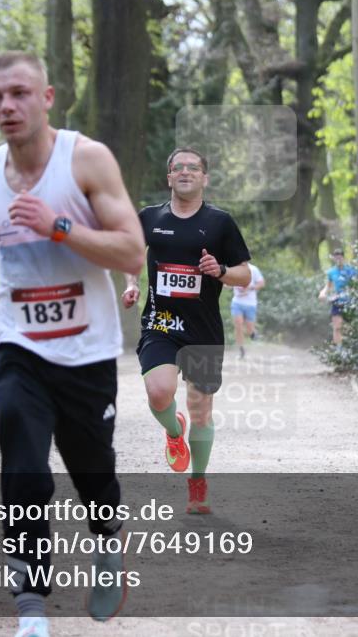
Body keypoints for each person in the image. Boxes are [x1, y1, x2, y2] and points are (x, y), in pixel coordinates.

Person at [0, 51, 145, 637]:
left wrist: (60, 227)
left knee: (91, 470)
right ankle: (30, 606)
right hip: (18, 342)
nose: (7, 106)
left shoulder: (87, 160)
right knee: (23, 465)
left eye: (20, 93)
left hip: (87, 350)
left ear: (47, 97)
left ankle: (108, 543)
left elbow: (131, 252)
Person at [121, 147, 251, 515]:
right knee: (159, 393)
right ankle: (173, 433)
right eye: (178, 167)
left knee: (201, 410)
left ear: (204, 177)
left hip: (202, 329)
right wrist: (132, 283)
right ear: (169, 177)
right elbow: (132, 254)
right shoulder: (149, 217)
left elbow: (245, 274)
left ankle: (198, 482)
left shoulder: (220, 222)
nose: (185, 172)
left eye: (193, 167)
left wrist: (220, 271)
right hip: (161, 324)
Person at [319, 248, 357, 351]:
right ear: (334, 258)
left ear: (343, 257)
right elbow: (328, 286)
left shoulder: (351, 270)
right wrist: (323, 293)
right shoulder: (331, 272)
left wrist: (351, 293)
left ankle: (349, 350)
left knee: (349, 328)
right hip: (336, 302)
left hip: (349, 302)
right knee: (337, 327)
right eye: (336, 257)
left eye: (340, 257)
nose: (338, 259)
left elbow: (356, 285)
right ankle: (339, 351)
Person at [231, 263, 265, 358]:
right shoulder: (233, 268)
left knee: (249, 329)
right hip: (237, 302)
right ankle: (241, 351)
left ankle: (254, 335)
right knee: (238, 325)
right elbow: (228, 282)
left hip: (250, 304)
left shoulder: (253, 269)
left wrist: (251, 288)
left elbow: (261, 283)